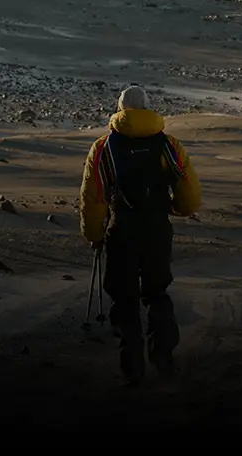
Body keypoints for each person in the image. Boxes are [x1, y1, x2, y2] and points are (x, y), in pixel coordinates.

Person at [79, 85, 201, 385]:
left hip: (122, 229)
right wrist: (178, 208)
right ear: (148, 107)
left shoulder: (104, 147)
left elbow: (93, 197)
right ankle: (163, 355)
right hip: (157, 228)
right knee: (157, 291)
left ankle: (131, 365)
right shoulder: (168, 145)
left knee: (124, 296)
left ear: (120, 109)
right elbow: (188, 189)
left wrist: (94, 234)